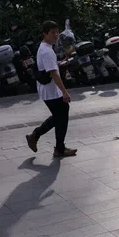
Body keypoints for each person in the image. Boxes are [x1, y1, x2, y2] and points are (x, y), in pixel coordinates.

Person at [26, 21, 77, 158]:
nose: (56, 35)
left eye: (57, 32)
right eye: (52, 33)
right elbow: (54, 73)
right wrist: (64, 92)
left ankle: (35, 136)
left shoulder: (45, 47)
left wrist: (63, 57)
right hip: (51, 91)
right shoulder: (47, 51)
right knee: (62, 115)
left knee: (59, 116)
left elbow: (51, 67)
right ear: (45, 34)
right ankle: (58, 148)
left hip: (48, 90)